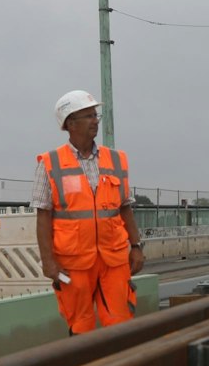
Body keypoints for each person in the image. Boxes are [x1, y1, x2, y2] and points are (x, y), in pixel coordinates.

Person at [35, 90, 146, 333]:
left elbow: (125, 208)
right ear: (70, 124)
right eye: (88, 116)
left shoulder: (116, 160)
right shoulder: (50, 163)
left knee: (120, 325)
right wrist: (48, 262)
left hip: (114, 259)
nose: (95, 120)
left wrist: (136, 247)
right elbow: (43, 216)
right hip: (73, 262)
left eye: (96, 115)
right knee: (80, 325)